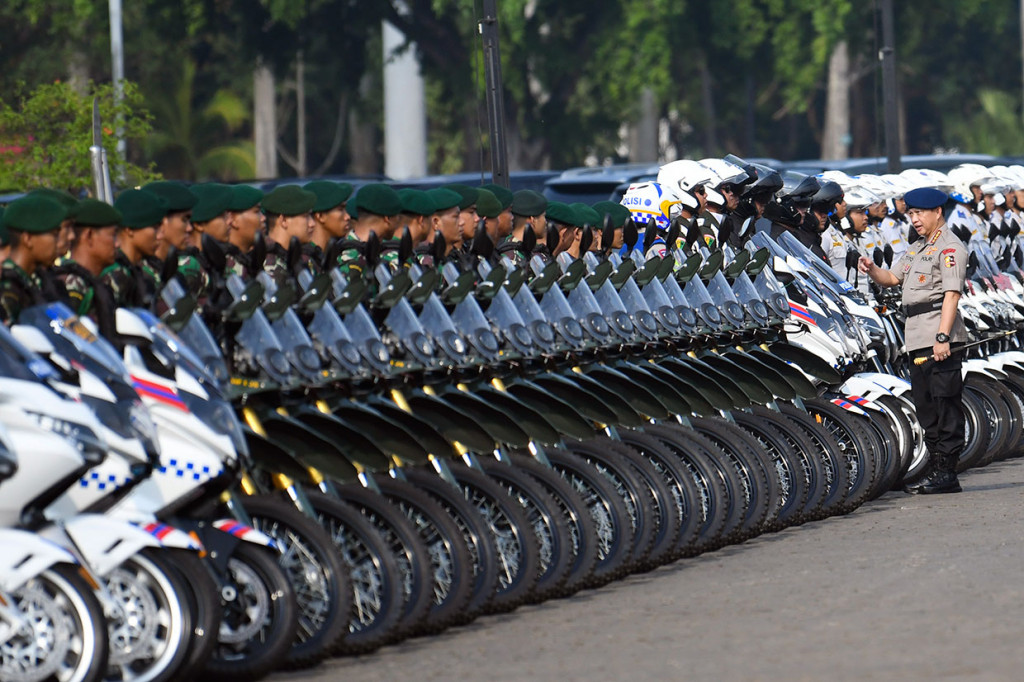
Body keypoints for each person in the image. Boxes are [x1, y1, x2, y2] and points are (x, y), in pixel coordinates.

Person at [858, 187, 967, 495]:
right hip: (916, 336)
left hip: (938, 335)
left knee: (945, 405)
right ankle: (936, 467)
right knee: (926, 406)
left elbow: (951, 295)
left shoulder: (949, 248)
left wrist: (943, 337)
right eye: (911, 214)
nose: (915, 220)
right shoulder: (917, 247)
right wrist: (872, 269)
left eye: (920, 214)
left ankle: (947, 472)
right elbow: (893, 279)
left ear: (937, 212)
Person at [0, 195, 65, 324]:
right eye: (54, 235)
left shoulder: (34, 280)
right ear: (28, 239)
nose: (58, 243)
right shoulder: (8, 286)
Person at [104, 189, 167, 307]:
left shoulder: (135, 271)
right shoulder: (116, 274)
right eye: (154, 227)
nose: (160, 235)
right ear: (130, 229)